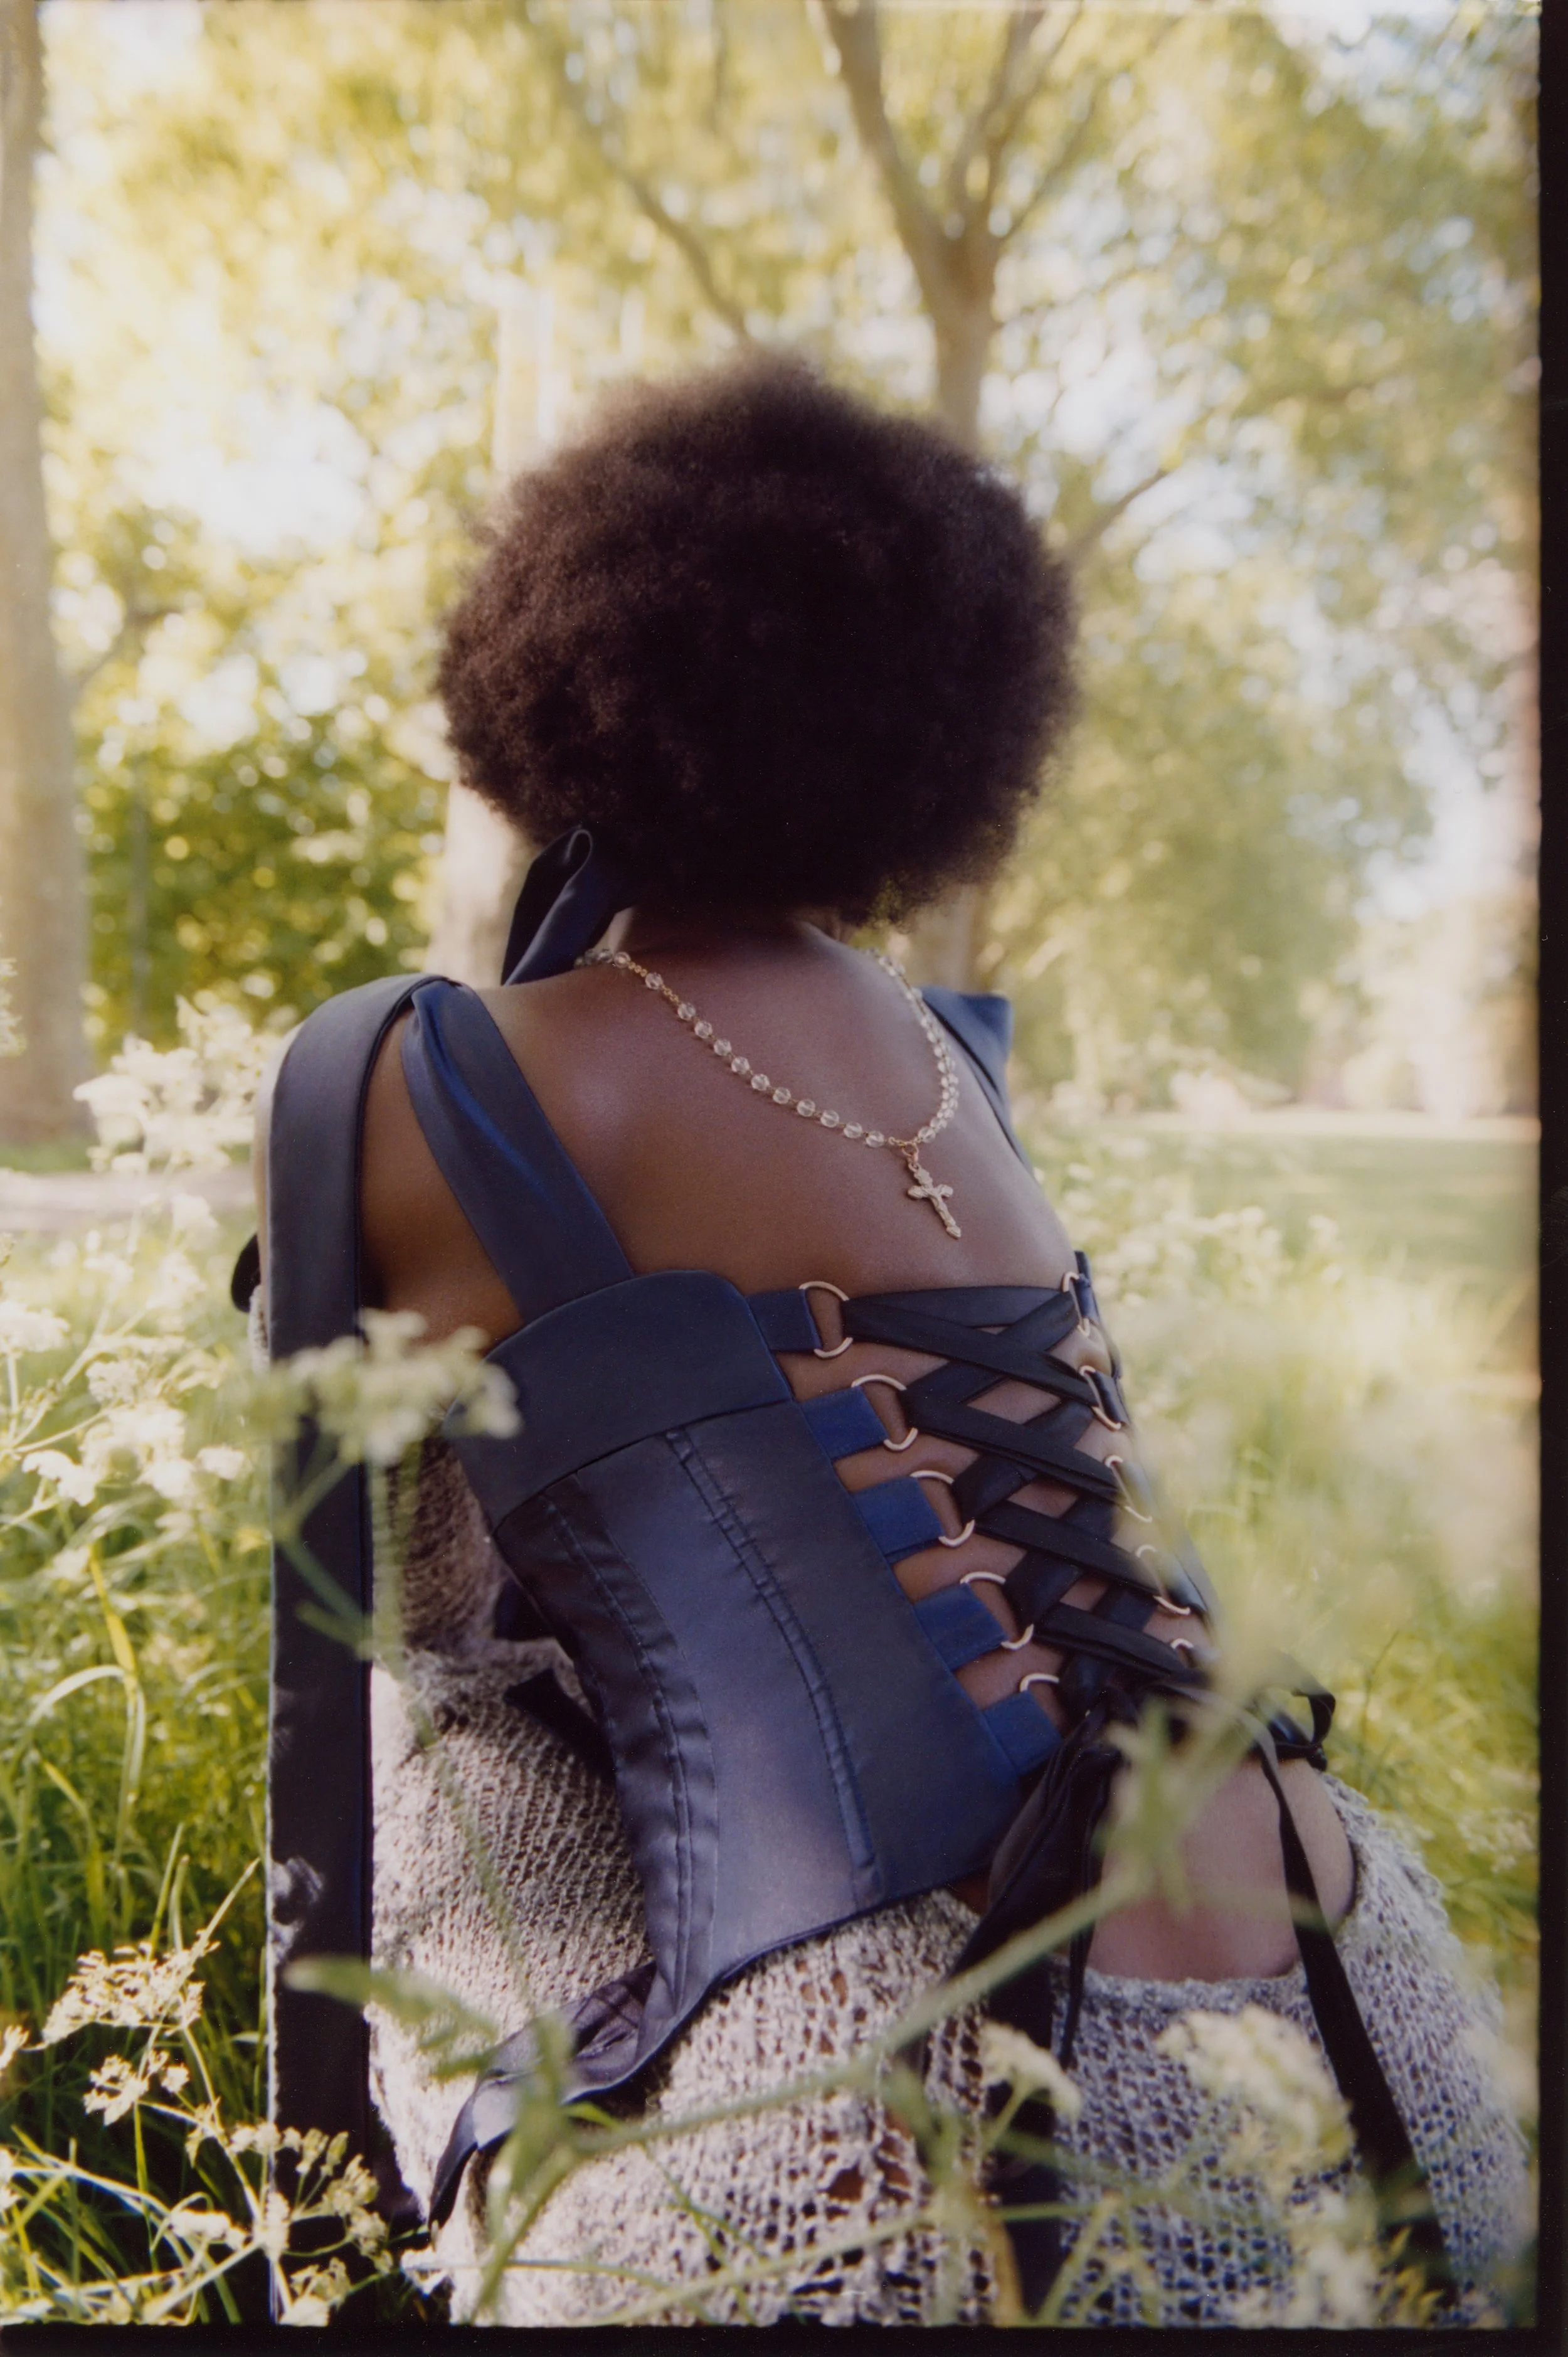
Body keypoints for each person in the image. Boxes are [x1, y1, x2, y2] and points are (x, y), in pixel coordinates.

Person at [251, 357, 1526, 2326]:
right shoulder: (947, 1060)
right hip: (1387, 2052)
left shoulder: (436, 1076)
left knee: (442, 1719)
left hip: (890, 2130)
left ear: (549, 675)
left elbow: (404, 1615)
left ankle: (339, 2262)